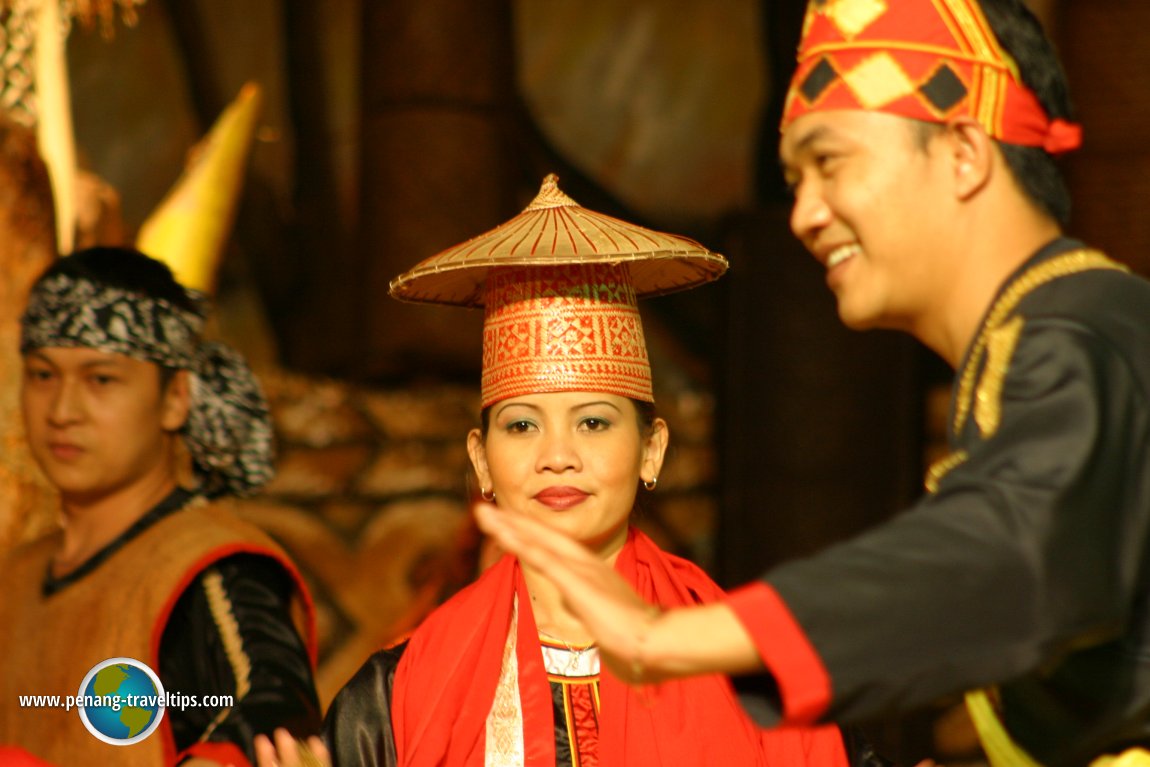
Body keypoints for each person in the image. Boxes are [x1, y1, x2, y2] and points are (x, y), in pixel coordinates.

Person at [474, 1, 1150, 766]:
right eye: (793, 178)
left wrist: (669, 636)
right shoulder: (1041, 349)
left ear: (964, 152)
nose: (804, 214)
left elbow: (1018, 555)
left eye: (830, 163)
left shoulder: (1084, 331)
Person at [256, 175, 877, 766]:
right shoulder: (394, 698)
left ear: (652, 450)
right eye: (522, 425)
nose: (557, 455)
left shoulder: (753, 670)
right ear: (482, 461)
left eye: (594, 422)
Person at [0, 246, 322, 766]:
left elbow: (276, 713)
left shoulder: (213, 567)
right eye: (43, 375)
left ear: (175, 397)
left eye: (100, 379)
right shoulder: (14, 576)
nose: (61, 410)